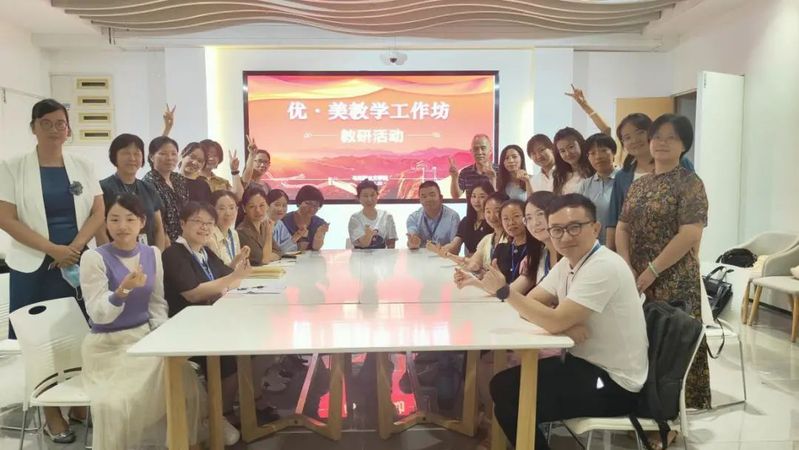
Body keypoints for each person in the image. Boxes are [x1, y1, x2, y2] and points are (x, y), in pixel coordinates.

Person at [470, 194, 649, 450]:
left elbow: (545, 316)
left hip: (613, 383)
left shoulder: (604, 266)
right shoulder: (568, 262)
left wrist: (506, 292)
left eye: (574, 227)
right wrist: (564, 323)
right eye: (556, 229)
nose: (565, 236)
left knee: (513, 401)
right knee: (501, 385)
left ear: (595, 228)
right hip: (583, 364)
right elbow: (532, 302)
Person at [0, 98, 104, 443]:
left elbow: (98, 212)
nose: (55, 129)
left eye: (61, 123)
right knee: (39, 341)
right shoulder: (12, 167)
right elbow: (6, 218)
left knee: (79, 334)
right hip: (34, 267)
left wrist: (73, 248)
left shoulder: (82, 165)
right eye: (46, 123)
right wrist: (52, 249)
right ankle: (50, 411)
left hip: (75, 263)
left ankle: (77, 402)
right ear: (33, 127)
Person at [79, 194, 203, 450]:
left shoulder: (152, 254)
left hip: (144, 339)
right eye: (114, 219)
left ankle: (178, 443)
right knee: (118, 402)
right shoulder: (94, 258)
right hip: (108, 347)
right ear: (106, 222)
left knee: (183, 380)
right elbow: (97, 314)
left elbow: (157, 303)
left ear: (142, 222)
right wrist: (122, 291)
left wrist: (161, 337)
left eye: (130, 219)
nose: (122, 226)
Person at [616, 114, 711, 412]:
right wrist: (627, 265)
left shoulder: (690, 182)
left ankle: (671, 410)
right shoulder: (640, 184)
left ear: (684, 145)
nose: (662, 143)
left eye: (672, 138)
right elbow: (622, 227)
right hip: (636, 277)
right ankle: (640, 404)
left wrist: (653, 270)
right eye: (658, 137)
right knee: (641, 339)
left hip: (674, 276)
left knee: (672, 343)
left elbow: (690, 233)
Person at [162, 202, 253, 443]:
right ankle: (214, 417)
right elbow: (192, 293)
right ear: (182, 224)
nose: (204, 227)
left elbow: (224, 275)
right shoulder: (173, 254)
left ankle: (222, 413)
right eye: (198, 222)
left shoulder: (204, 251)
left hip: (210, 321)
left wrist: (237, 268)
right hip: (186, 327)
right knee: (229, 357)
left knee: (247, 348)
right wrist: (233, 277)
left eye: (209, 223)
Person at [605, 113, 695, 249]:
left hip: (674, 250)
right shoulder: (623, 176)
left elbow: (693, 220)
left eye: (640, 133)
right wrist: (613, 256)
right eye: (627, 138)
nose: (634, 140)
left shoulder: (681, 164)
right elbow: (615, 221)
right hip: (632, 251)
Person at [98, 133, 167, 250]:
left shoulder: (149, 188)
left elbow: (159, 228)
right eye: (126, 153)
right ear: (114, 156)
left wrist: (157, 256)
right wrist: (108, 257)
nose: (132, 158)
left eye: (137, 154)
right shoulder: (103, 188)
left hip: (147, 253)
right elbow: (100, 230)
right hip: (116, 254)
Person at [509, 191, 560, 293]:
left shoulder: (571, 255)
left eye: (540, 214)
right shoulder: (539, 256)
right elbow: (511, 292)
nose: (535, 223)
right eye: (529, 218)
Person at [143, 136, 189, 243]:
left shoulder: (179, 179)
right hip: (163, 240)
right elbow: (152, 218)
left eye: (173, 154)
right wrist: (164, 237)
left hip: (184, 238)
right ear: (151, 157)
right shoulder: (148, 183)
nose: (169, 158)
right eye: (163, 154)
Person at [577, 133, 619, 245]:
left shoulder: (624, 179)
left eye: (603, 150)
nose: (598, 156)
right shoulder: (585, 185)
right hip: (593, 245)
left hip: (621, 245)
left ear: (613, 152)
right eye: (592, 153)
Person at [492, 199, 540, 284]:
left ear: (526, 217)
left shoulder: (537, 249)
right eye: (506, 219)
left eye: (516, 216)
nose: (511, 222)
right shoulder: (500, 249)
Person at [445, 180, 495, 257]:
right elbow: (455, 245)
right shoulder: (466, 221)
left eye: (482, 196)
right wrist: (444, 249)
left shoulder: (493, 222)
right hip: (468, 262)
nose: (476, 201)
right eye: (474, 196)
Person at [406, 180, 460, 250]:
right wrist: (412, 242)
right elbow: (412, 235)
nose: (428, 199)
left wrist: (438, 250)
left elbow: (455, 248)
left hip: (444, 256)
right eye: (424, 196)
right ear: (420, 200)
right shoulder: (413, 218)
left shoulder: (453, 217)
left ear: (441, 197)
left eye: (432, 195)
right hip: (420, 256)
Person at [275, 185, 329, 252]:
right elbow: (277, 248)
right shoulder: (283, 221)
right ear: (299, 203)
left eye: (316, 205)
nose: (312, 208)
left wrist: (319, 236)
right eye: (308, 203)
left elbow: (316, 248)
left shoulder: (320, 223)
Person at [348, 179, 398, 249]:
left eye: (372, 195)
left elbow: (391, 244)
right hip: (360, 255)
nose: (369, 199)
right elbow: (364, 244)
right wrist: (368, 235)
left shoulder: (387, 216)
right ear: (359, 198)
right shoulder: (355, 218)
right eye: (365, 196)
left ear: (377, 195)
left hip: (382, 255)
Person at [237, 186, 280, 265]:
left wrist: (268, 256)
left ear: (267, 205)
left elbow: (278, 251)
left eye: (262, 205)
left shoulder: (263, 225)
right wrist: (269, 235)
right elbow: (264, 259)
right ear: (244, 208)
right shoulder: (242, 231)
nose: (258, 210)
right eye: (252, 206)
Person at [449, 134, 498, 199]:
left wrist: (493, 179)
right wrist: (454, 178)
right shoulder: (465, 172)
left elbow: (500, 199)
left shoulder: (500, 171)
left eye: (483, 148)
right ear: (471, 151)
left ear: (490, 150)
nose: (479, 152)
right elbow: (456, 196)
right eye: (476, 149)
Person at [207, 190, 248, 266]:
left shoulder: (234, 233)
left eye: (231, 208)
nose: (228, 213)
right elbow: (218, 270)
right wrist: (236, 261)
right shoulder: (209, 237)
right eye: (222, 208)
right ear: (212, 211)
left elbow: (239, 265)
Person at [552, 127, 594, 195]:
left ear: (580, 144)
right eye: (562, 151)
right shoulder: (559, 176)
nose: (568, 153)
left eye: (571, 147)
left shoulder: (594, 169)